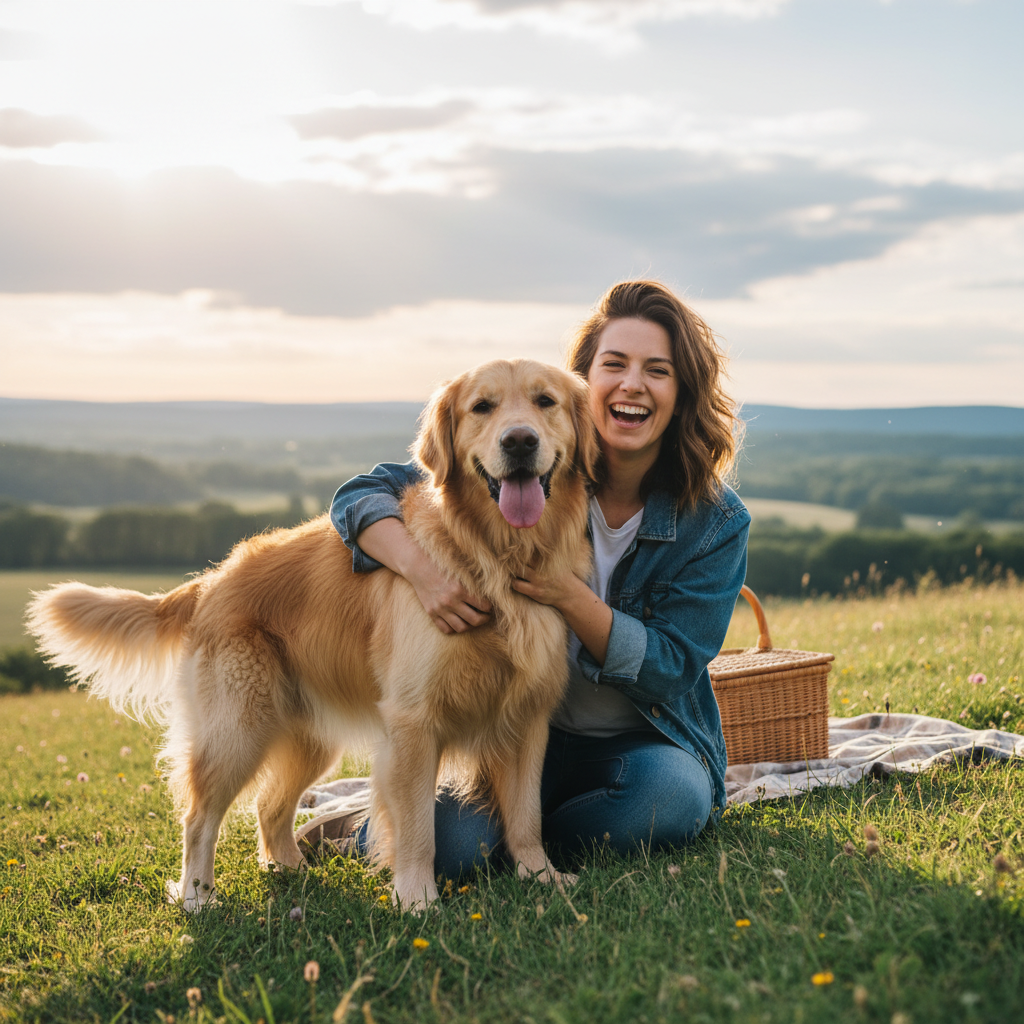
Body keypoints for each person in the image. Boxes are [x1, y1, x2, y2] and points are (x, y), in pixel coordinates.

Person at [299, 279, 749, 878]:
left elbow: (670, 668)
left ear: (681, 390)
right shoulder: (519, 461)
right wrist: (423, 572)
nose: (632, 384)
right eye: (614, 365)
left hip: (641, 745)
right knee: (455, 854)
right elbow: (363, 494)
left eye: (657, 370)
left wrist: (570, 596)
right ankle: (414, 833)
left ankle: (521, 840)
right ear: (586, 385)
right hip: (514, 733)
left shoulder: (716, 523)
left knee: (669, 802)